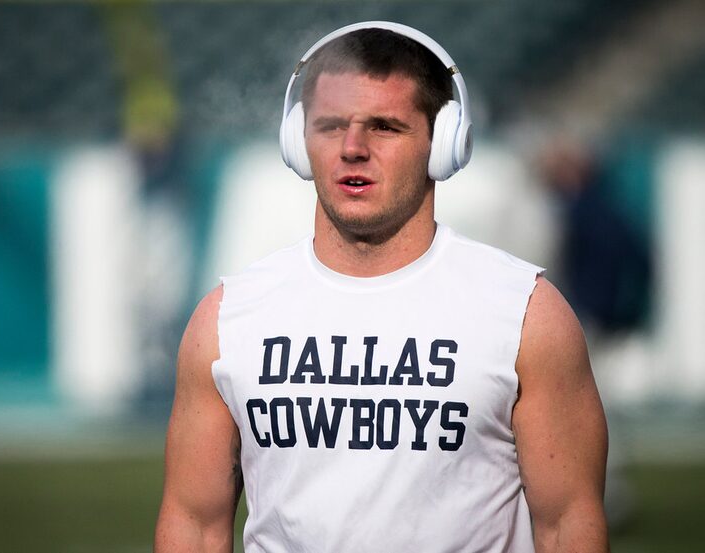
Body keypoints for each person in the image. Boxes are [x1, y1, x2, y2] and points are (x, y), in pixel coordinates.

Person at [155, 21, 609, 552]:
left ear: (444, 144)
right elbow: (195, 523)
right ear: (297, 142)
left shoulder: (525, 314)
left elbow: (567, 524)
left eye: (385, 127)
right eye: (330, 126)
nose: (353, 148)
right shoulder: (226, 319)